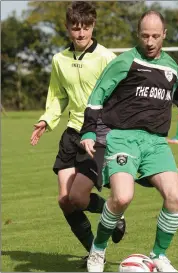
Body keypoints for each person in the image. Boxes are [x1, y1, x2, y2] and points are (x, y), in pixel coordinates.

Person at [80, 10, 178, 272]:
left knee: (175, 196)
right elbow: (97, 94)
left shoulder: (173, 68)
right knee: (122, 198)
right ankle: (98, 249)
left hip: (157, 143)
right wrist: (89, 131)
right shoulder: (125, 62)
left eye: (155, 36)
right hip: (122, 138)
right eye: (145, 35)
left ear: (164, 35)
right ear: (138, 34)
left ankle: (159, 254)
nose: (149, 41)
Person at [30, 1, 126, 264]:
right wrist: (46, 120)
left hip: (97, 135)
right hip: (72, 134)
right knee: (64, 200)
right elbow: (58, 96)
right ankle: (95, 254)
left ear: (93, 26)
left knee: (77, 197)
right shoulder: (59, 60)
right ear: (67, 28)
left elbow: (120, 96)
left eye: (85, 28)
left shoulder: (107, 58)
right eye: (75, 28)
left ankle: (113, 213)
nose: (81, 34)